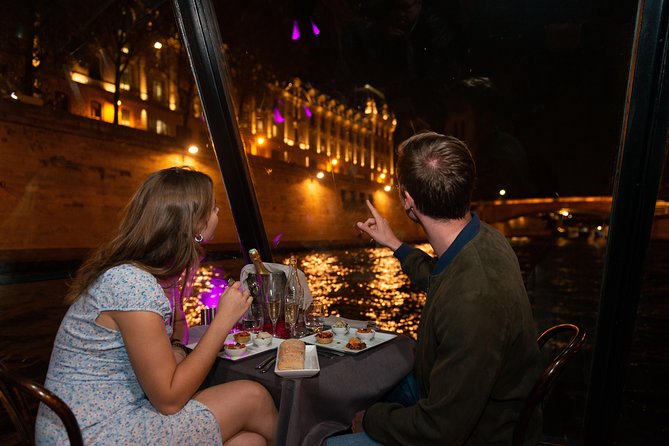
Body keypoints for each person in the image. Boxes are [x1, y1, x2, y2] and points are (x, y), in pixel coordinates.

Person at [35, 167, 278, 446]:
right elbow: (170, 400)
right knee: (254, 397)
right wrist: (224, 321)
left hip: (98, 420)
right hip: (91, 433)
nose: (218, 211)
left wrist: (175, 349)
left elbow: (177, 331)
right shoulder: (131, 284)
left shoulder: (149, 274)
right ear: (194, 224)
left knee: (250, 442)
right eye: (212, 208)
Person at [330, 132, 543, 445]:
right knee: (363, 382)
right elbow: (437, 277)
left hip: (480, 434)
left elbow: (440, 429)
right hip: (455, 395)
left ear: (408, 201)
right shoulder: (483, 239)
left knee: (333, 440)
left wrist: (371, 420)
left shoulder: (474, 299)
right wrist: (393, 243)